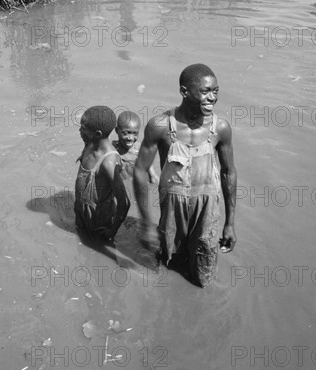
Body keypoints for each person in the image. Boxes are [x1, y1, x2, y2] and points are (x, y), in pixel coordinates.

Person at [133, 64, 237, 287]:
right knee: (168, 263)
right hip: (172, 209)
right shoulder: (160, 126)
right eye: (205, 91)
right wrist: (145, 222)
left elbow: (229, 173)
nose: (212, 98)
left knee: (202, 278)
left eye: (215, 91)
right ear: (184, 91)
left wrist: (230, 222)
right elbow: (140, 170)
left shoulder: (221, 129)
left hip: (207, 211)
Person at [75, 106, 130, 245]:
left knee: (97, 245)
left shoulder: (108, 162)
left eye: (83, 128)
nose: (79, 130)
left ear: (98, 134)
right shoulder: (89, 143)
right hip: (82, 212)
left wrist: (112, 231)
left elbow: (124, 202)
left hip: (100, 220)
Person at [112, 111, 158, 184]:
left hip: (139, 189)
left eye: (135, 133)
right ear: (117, 130)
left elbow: (153, 176)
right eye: (126, 133)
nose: (130, 138)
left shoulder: (141, 150)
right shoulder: (112, 150)